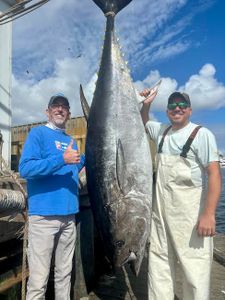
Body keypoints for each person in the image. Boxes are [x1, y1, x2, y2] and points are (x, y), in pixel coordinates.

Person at [140, 89, 221, 300]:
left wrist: (209, 214)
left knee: (194, 268)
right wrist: (146, 103)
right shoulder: (162, 132)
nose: (177, 108)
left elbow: (213, 175)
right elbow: (143, 120)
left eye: (182, 105)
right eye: (173, 105)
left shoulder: (202, 134)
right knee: (159, 263)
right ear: (167, 111)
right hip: (160, 214)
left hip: (191, 216)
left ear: (190, 110)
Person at [19, 93, 85, 300]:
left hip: (69, 217)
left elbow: (76, 167)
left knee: (64, 274)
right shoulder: (38, 134)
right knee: (39, 280)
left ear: (68, 114)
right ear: (47, 112)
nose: (60, 109)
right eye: (55, 106)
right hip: (44, 218)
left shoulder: (71, 141)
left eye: (64, 107)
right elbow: (25, 169)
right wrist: (61, 159)